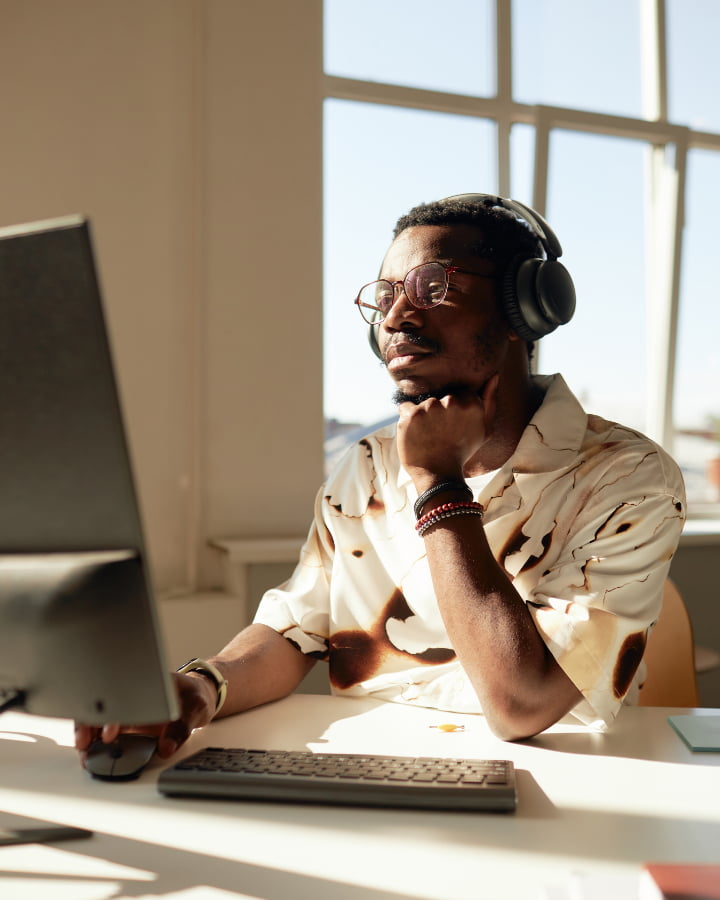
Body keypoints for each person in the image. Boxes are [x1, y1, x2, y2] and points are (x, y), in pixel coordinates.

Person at [76, 193, 686, 762]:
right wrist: (201, 688)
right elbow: (295, 630)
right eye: (385, 295)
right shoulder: (367, 464)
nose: (395, 316)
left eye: (430, 285)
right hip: (370, 765)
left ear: (521, 310)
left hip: (560, 781)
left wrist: (437, 483)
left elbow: (521, 704)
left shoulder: (629, 477)